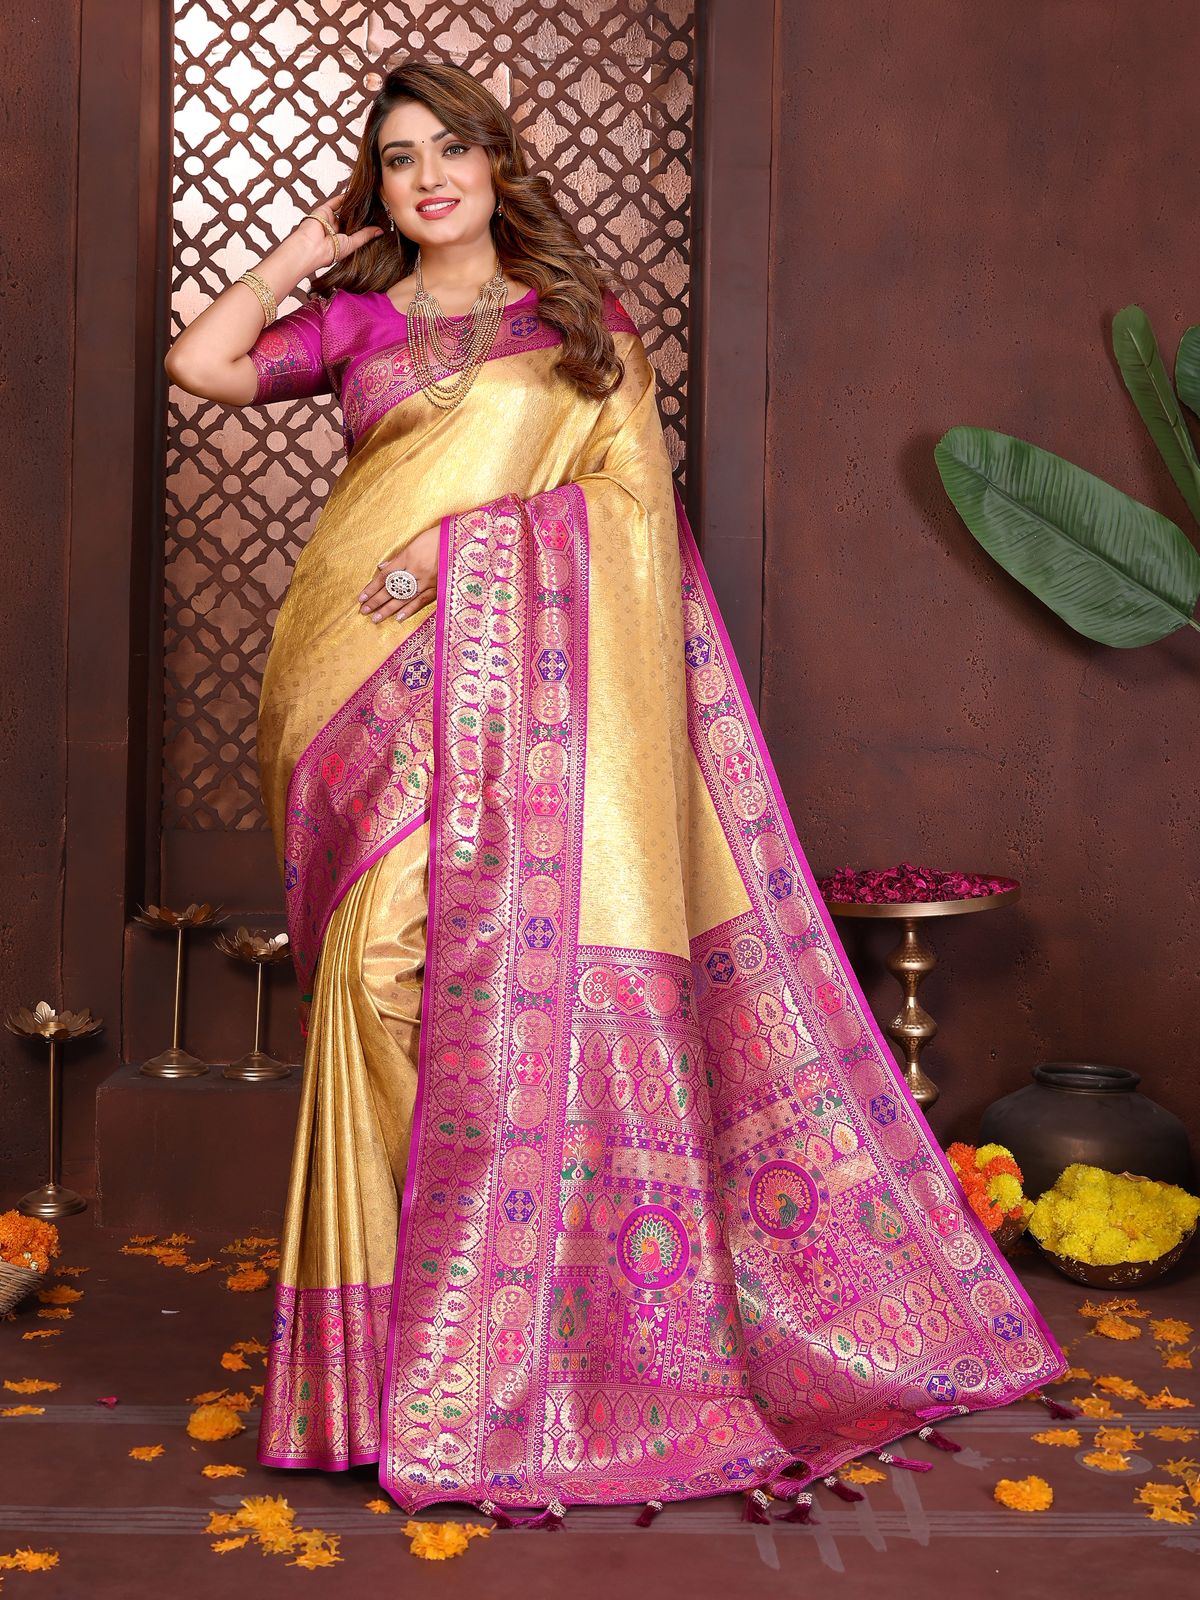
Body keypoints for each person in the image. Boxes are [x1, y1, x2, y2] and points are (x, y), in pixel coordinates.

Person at [163, 57, 1068, 1525]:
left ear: (495, 162)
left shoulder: (578, 325)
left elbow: (630, 514)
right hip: (357, 688)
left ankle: (502, 1317)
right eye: (398, 158)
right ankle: (403, 1346)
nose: (428, 177)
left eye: (450, 148)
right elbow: (201, 367)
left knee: (450, 982)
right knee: (370, 977)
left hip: (515, 704)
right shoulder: (360, 322)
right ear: (377, 186)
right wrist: (291, 258)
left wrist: (462, 557)